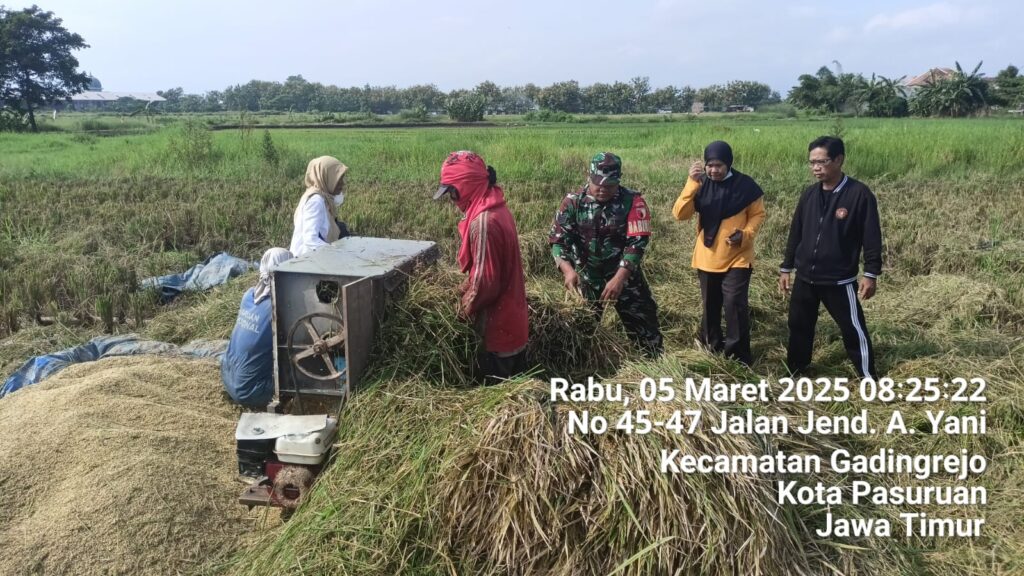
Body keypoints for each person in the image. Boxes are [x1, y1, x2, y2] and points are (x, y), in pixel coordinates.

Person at [779, 136, 883, 379]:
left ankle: (867, 376)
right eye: (811, 162)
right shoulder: (809, 195)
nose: (816, 167)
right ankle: (796, 370)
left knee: (853, 329)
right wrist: (787, 267)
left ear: (838, 160)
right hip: (806, 277)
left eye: (821, 161)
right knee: (798, 326)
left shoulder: (858, 194)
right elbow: (796, 233)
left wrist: (870, 273)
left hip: (839, 279)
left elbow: (871, 236)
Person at [549, 152, 663, 356]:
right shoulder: (573, 202)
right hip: (587, 279)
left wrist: (619, 279)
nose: (602, 189)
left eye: (609, 185)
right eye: (597, 184)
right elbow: (558, 240)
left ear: (618, 180)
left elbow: (636, 243)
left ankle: (651, 371)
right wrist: (567, 270)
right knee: (580, 336)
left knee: (646, 334)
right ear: (589, 176)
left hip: (626, 279)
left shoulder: (633, 202)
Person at [434, 151, 529, 383]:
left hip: (498, 331)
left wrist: (457, 316)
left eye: (453, 193)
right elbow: (484, 267)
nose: (453, 201)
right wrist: (458, 290)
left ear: (465, 186)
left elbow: (485, 284)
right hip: (513, 322)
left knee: (495, 397)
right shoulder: (496, 207)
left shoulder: (484, 222)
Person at [673, 141, 765, 366]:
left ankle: (738, 356)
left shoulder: (746, 186)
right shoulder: (700, 185)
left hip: (738, 255)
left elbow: (757, 214)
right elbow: (680, 214)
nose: (714, 170)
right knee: (710, 304)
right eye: (710, 165)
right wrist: (691, 184)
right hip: (707, 254)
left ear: (729, 163)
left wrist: (745, 234)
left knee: (734, 303)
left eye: (719, 165)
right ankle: (711, 347)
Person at [222, 247, 293, 407]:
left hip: (227, 377)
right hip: (249, 391)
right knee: (299, 378)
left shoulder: (249, 295)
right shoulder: (277, 307)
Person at [289, 156, 351, 257]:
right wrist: (336, 253)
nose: (342, 183)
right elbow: (310, 240)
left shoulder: (324, 198)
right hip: (304, 260)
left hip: (315, 256)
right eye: (338, 179)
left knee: (342, 228)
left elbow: (338, 199)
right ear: (326, 178)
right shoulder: (316, 201)